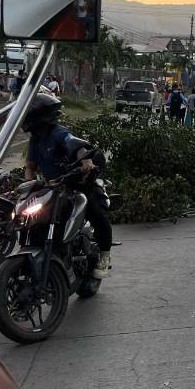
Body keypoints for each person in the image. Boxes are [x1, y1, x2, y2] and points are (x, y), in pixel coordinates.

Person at [21, 92, 112, 278]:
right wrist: (28, 183)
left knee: (96, 212)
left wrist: (85, 161)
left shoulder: (58, 133)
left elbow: (76, 146)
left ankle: (104, 255)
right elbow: (30, 166)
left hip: (78, 183)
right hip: (52, 187)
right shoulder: (35, 139)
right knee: (31, 215)